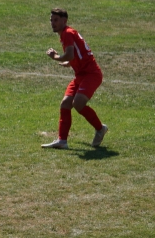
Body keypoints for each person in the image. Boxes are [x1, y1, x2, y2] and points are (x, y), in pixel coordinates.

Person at [41, 9, 107, 149]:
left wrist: (56, 57)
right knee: (65, 103)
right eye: (51, 20)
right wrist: (69, 63)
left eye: (56, 20)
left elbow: (70, 54)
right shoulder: (67, 33)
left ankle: (100, 128)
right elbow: (79, 52)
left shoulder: (67, 34)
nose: (53, 23)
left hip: (91, 74)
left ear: (64, 21)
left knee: (78, 103)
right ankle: (62, 141)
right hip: (81, 75)